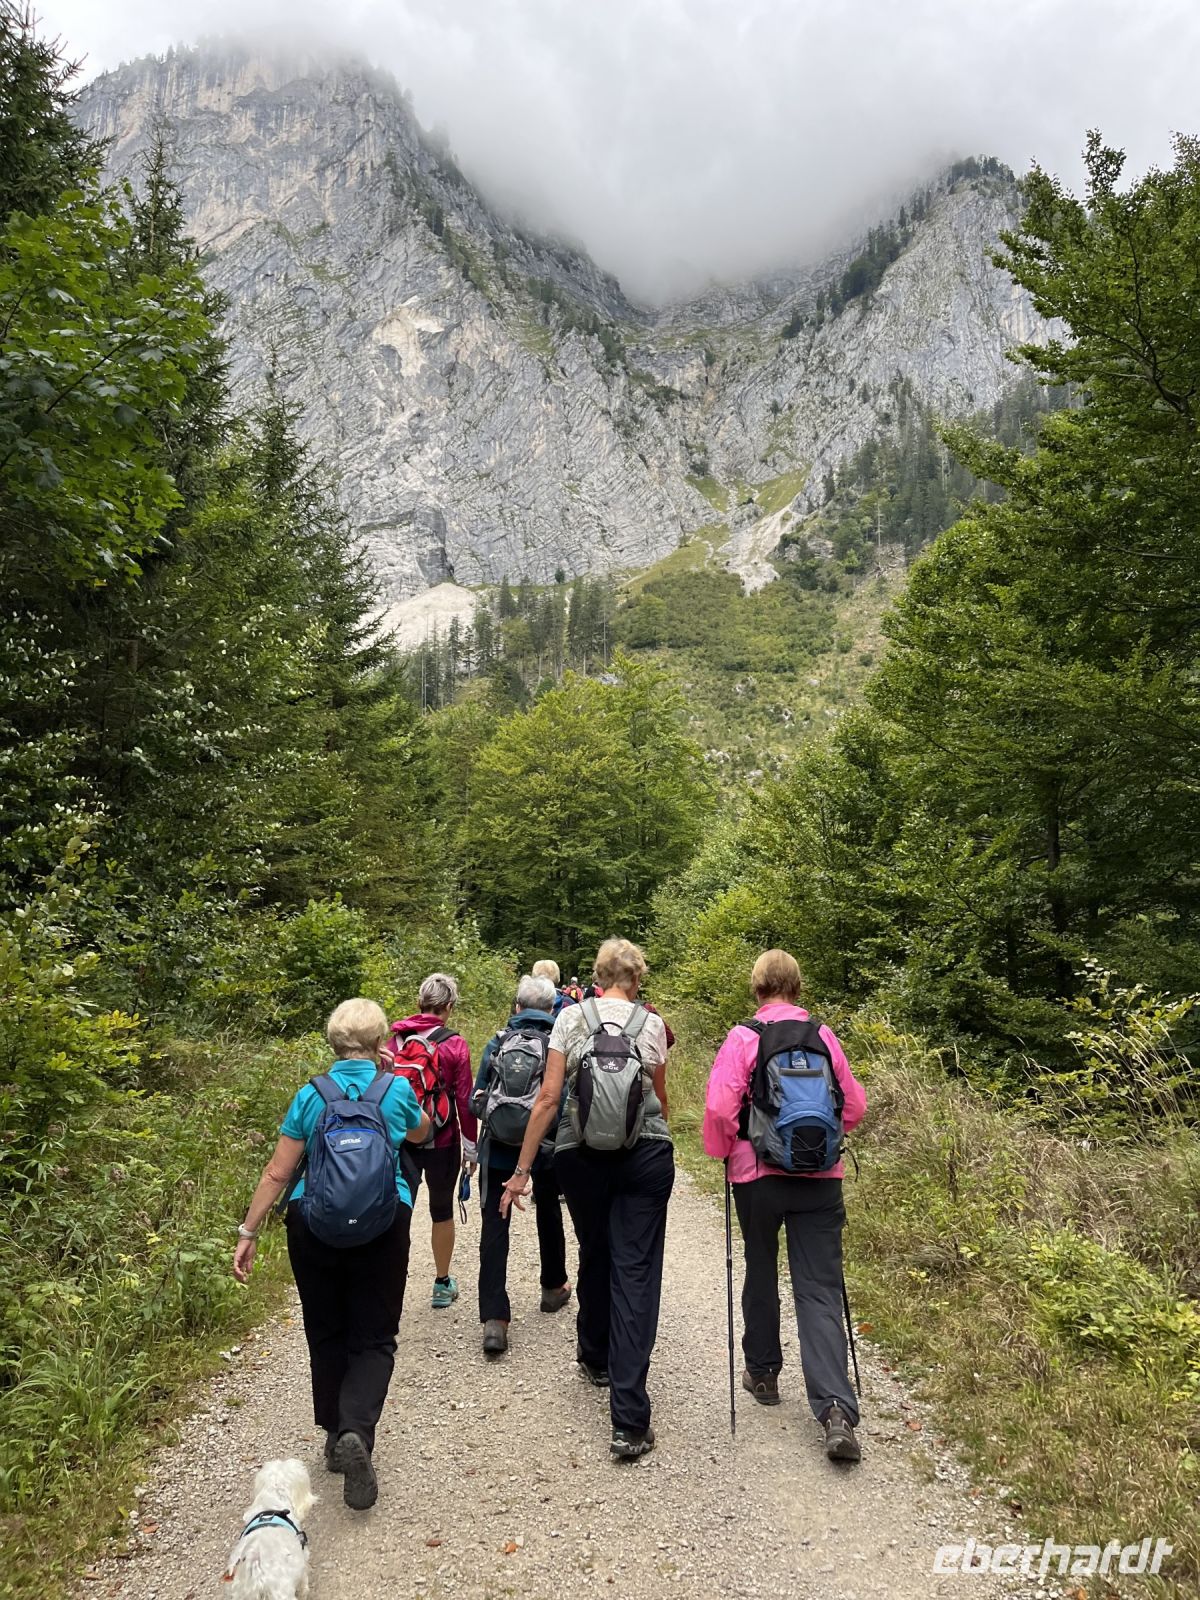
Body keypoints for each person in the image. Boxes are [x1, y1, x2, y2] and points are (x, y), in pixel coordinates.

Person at [233, 998, 429, 1510]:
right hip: (385, 1223)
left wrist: (248, 1230)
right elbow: (422, 1132)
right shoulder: (396, 1089)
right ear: (381, 1041)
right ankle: (356, 1431)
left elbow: (279, 1171)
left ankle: (332, 1431)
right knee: (376, 1334)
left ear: (332, 1042)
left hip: (311, 1223)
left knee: (325, 1329)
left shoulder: (311, 1095)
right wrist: (391, 1080)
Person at [501, 937, 673, 1461]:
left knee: (595, 1250)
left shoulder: (571, 1019)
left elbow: (549, 1098)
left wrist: (522, 1170)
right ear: (637, 978)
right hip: (644, 1157)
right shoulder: (653, 1026)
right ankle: (628, 1421)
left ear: (597, 978)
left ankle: (594, 1356)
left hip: (580, 1157)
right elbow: (660, 1101)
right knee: (635, 1271)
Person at [702, 949, 867, 1461]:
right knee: (819, 1288)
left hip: (758, 1177)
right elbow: (854, 1105)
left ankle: (764, 1373)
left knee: (760, 1268)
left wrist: (723, 1151)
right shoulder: (824, 1036)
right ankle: (836, 1410)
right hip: (820, 1177)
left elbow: (719, 1110)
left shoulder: (744, 1037)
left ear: (757, 988)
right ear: (797, 988)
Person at [472, 973, 571, 1356]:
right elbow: (561, 1101)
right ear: (552, 1008)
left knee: (494, 1226)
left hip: (498, 1148)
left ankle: (495, 1320)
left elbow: (475, 1097)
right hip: (546, 1146)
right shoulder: (558, 1043)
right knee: (549, 1210)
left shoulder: (498, 1042)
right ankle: (552, 1286)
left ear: (516, 1007)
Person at [384, 973, 477, 1309]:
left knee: (399, 1210)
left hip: (402, 1139)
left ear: (419, 1003)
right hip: (443, 1138)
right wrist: (471, 1146)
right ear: (449, 1006)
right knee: (441, 1209)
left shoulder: (394, 1042)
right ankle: (441, 1283)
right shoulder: (454, 1044)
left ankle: (391, 1285)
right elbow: (464, 1099)